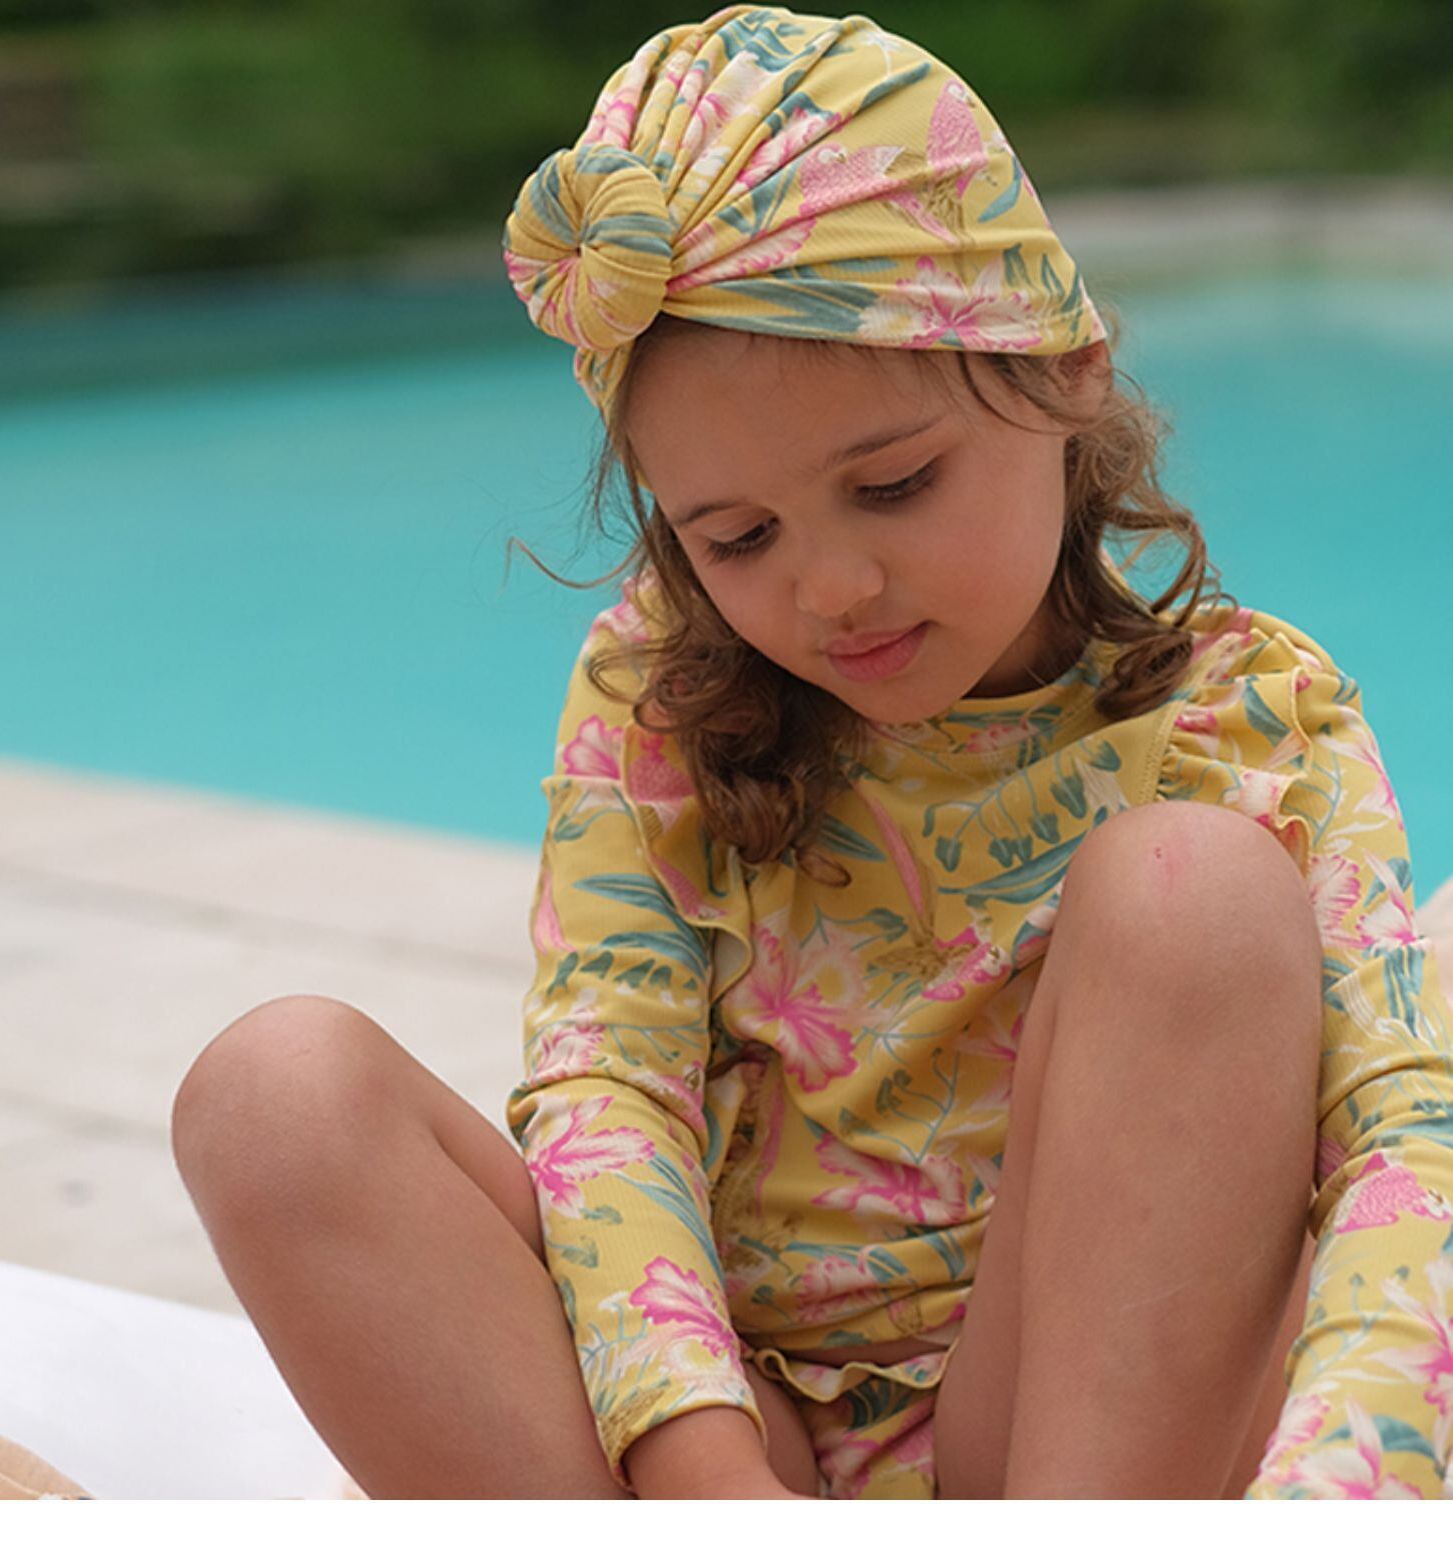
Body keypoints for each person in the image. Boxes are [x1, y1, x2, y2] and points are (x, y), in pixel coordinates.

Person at [169, 5, 1453, 1501]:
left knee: (1201, 893)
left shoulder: (1257, 719)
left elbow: (1397, 1138)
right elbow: (610, 1089)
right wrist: (706, 1468)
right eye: (739, 538)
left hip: (1076, 1434)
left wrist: (1329, 1499)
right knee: (274, 1097)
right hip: (734, 1423)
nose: (832, 588)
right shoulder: (660, 696)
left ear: (1067, 370)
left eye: (893, 485)